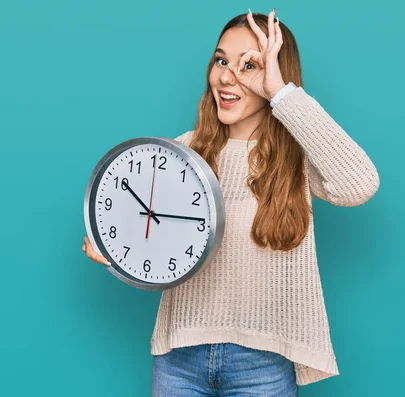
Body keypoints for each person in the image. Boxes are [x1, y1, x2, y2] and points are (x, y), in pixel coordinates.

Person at [83, 8, 380, 396]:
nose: (228, 76)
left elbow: (359, 184)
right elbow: (153, 237)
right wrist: (113, 247)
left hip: (263, 364)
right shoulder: (183, 152)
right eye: (221, 60)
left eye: (250, 65)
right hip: (179, 358)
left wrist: (281, 94)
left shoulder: (298, 159)